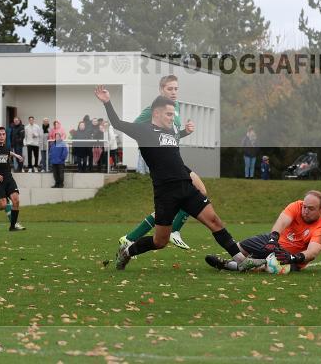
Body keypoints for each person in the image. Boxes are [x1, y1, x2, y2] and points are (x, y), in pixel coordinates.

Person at [95, 86, 241, 270]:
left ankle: (241, 260)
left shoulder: (171, 132)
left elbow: (173, 158)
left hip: (186, 187)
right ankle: (128, 251)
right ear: (156, 113)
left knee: (214, 221)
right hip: (165, 193)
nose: (173, 118)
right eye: (169, 115)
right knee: (160, 241)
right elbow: (117, 124)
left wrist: (189, 172)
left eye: (173, 115)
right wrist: (107, 101)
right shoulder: (143, 131)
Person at [119, 74, 197, 251]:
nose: (174, 92)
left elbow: (171, 136)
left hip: (174, 161)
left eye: (176, 88)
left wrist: (185, 132)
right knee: (196, 191)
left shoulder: (174, 109)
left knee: (170, 207)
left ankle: (130, 238)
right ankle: (174, 231)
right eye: (170, 88)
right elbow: (137, 129)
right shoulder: (151, 110)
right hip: (163, 163)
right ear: (161, 90)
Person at [205, 190, 321, 273]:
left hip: (289, 257)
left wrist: (293, 257)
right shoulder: (297, 206)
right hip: (275, 243)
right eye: (304, 206)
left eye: (311, 208)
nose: (305, 210)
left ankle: (229, 265)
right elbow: (281, 222)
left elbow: (312, 252)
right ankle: (244, 261)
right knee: (238, 248)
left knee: (269, 267)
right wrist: (273, 238)